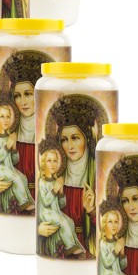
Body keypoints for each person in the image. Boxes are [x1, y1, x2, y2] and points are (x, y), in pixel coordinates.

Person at [40, 94, 107, 257]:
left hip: (89, 253)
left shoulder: (98, 175)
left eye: (75, 138)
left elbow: (111, 231)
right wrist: (40, 228)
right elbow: (44, 209)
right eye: (64, 140)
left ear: (86, 138)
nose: (69, 146)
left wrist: (92, 212)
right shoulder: (55, 172)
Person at [0, 50, 55, 202]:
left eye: (28, 94)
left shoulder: (48, 136)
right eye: (17, 96)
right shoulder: (8, 130)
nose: (23, 102)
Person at [35, 139, 85, 258]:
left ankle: (68, 248)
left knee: (70, 222)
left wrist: (61, 191)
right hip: (46, 213)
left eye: (55, 161)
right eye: (49, 161)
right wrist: (55, 189)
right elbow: (46, 202)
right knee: (62, 222)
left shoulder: (55, 181)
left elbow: (61, 204)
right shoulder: (42, 182)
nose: (52, 164)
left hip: (55, 212)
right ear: (43, 163)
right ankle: (71, 247)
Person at [0, 98, 34, 214]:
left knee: (23, 178)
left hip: (8, 168)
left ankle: (25, 203)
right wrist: (7, 145)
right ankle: (24, 203)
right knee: (16, 178)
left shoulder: (7, 137)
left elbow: (14, 161)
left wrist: (13, 148)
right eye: (2, 117)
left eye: (8, 117)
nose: (6, 120)